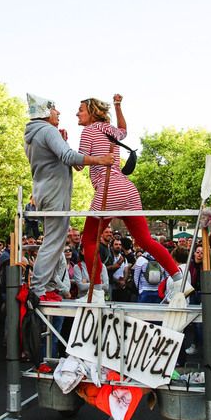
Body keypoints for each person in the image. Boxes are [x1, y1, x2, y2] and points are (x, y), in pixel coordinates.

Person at [76, 95, 184, 295]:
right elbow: (124, 128)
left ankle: (97, 291)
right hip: (128, 189)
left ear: (91, 112)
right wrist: (118, 106)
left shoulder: (89, 131)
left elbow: (78, 164)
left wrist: (64, 145)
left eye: (80, 109)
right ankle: (178, 279)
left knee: (90, 240)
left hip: (110, 189)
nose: (77, 113)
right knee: (145, 240)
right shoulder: (111, 131)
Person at [23, 93, 112, 299]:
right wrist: (100, 160)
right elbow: (69, 157)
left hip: (44, 190)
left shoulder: (33, 133)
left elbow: (53, 158)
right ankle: (38, 288)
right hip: (55, 192)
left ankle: (50, 282)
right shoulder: (47, 130)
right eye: (54, 109)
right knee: (54, 241)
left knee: (55, 239)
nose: (59, 112)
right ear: (46, 113)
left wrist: (60, 142)